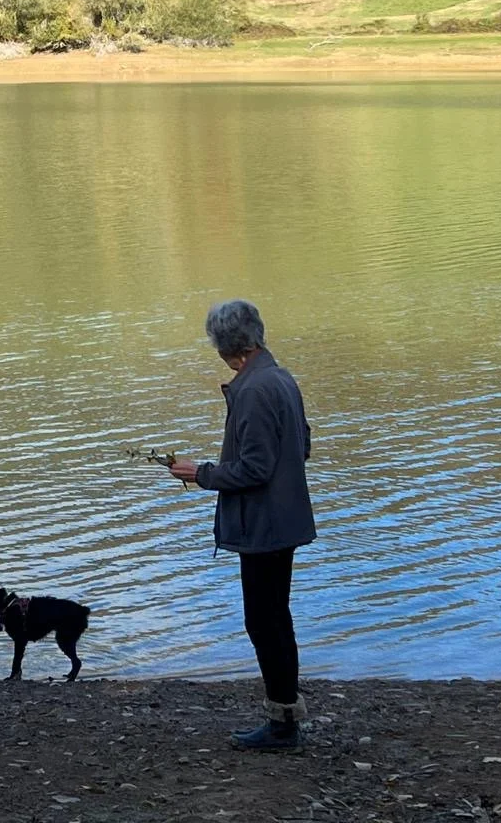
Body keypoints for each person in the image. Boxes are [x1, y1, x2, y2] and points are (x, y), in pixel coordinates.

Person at [168, 300, 315, 751]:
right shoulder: (281, 378)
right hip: (284, 520)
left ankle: (282, 724)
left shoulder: (252, 390)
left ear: (228, 347)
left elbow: (255, 468)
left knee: (264, 623)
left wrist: (202, 473)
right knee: (276, 619)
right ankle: (285, 716)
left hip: (265, 527)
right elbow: (303, 444)